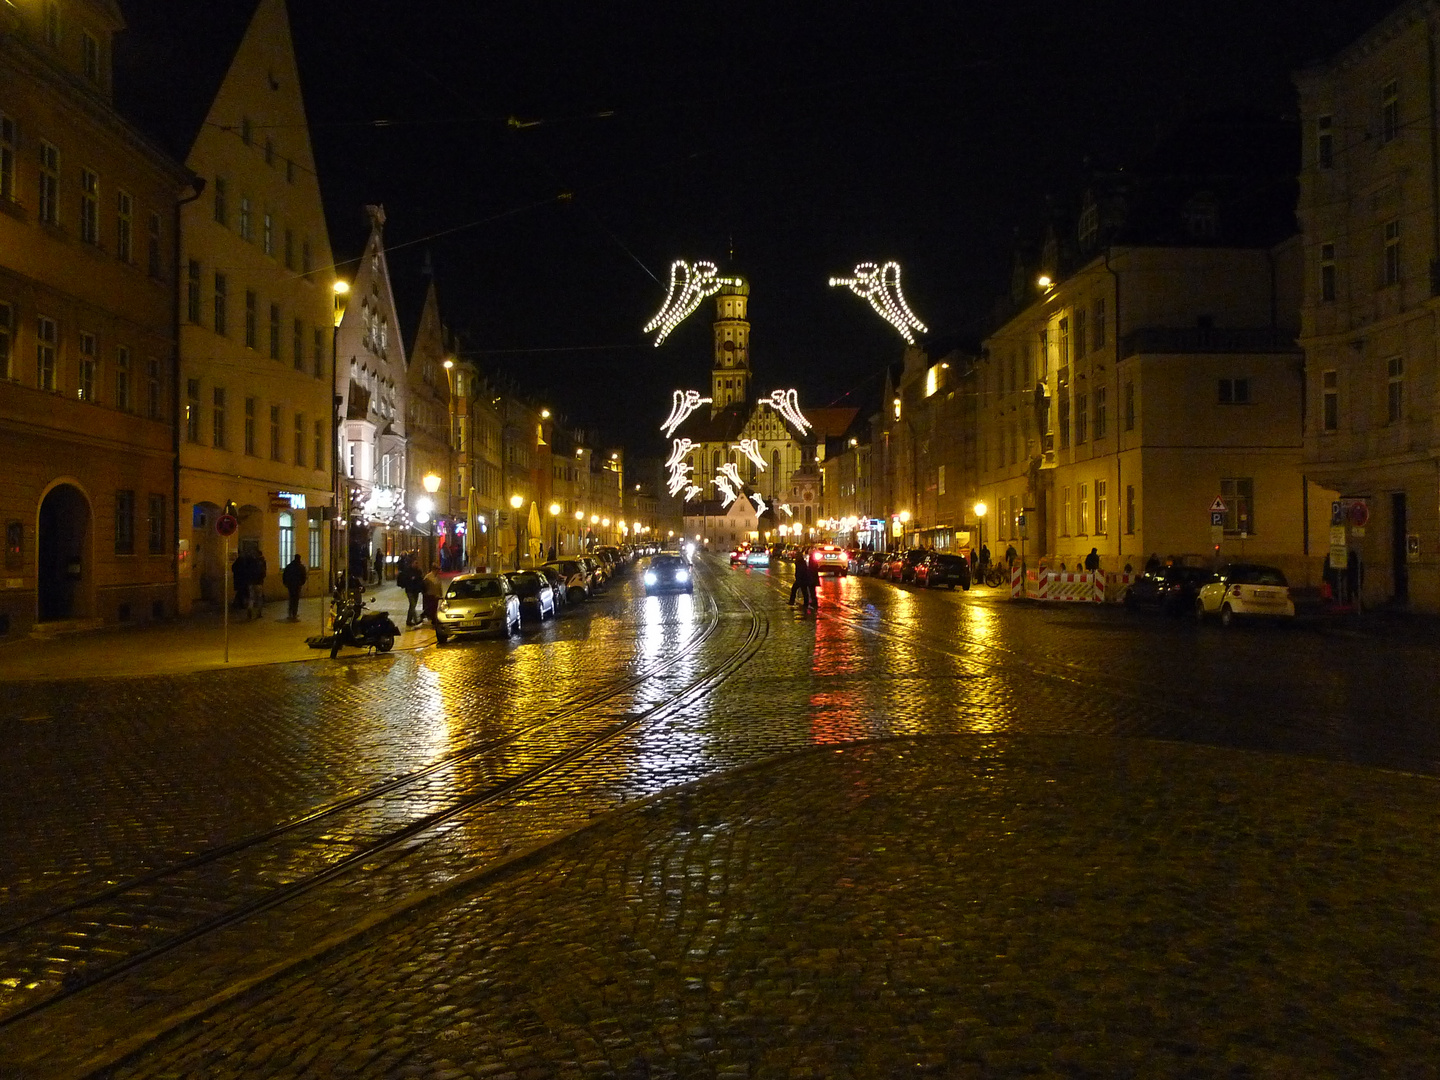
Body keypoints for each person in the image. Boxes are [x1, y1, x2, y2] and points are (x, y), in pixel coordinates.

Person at [398, 555, 424, 627]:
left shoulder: (418, 571)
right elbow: (406, 580)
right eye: (415, 563)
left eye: (417, 563)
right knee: (412, 605)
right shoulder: (407, 571)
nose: (416, 565)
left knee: (412, 606)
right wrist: (412, 579)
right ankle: (416, 620)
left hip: (416, 590)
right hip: (409, 590)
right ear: (412, 563)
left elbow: (420, 580)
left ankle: (408, 621)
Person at [281, 553, 307, 621]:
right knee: (296, 600)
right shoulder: (301, 567)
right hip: (297, 585)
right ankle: (294, 614)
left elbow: (285, 575)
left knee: (291, 599)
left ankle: (290, 613)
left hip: (290, 585)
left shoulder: (289, 566)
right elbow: (304, 576)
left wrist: (285, 583)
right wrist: (301, 583)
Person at [422, 566, 444, 632]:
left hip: (436, 596)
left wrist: (441, 594)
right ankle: (432, 621)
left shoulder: (438, 577)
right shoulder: (428, 577)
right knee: (431, 608)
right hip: (430, 595)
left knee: (434, 608)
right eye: (437, 570)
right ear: (434, 570)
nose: (438, 571)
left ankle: (433, 621)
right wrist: (425, 594)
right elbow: (424, 587)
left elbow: (440, 586)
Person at [249, 550, 268, 619]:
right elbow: (264, 573)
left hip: (251, 582)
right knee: (259, 598)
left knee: (251, 597)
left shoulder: (252, 562)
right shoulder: (262, 562)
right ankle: (259, 613)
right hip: (259, 582)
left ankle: (250, 609)